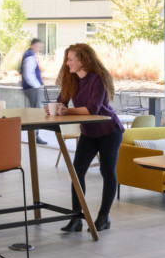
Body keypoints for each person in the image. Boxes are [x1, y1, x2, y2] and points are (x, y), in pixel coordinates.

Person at [54, 43, 123, 232]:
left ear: (82, 60)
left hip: (109, 131)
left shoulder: (97, 79)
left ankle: (104, 217)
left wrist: (66, 111)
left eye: (70, 59)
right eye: (67, 59)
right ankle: (76, 219)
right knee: (77, 172)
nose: (67, 63)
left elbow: (92, 109)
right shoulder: (71, 79)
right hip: (89, 133)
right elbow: (62, 101)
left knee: (107, 172)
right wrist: (56, 108)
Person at [19, 39, 47, 144]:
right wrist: (37, 85)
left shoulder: (28, 54)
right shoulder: (30, 56)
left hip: (31, 88)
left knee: (35, 111)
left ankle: (35, 136)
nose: (39, 49)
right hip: (32, 88)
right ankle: (35, 136)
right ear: (34, 45)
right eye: (39, 46)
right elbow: (28, 74)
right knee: (36, 112)